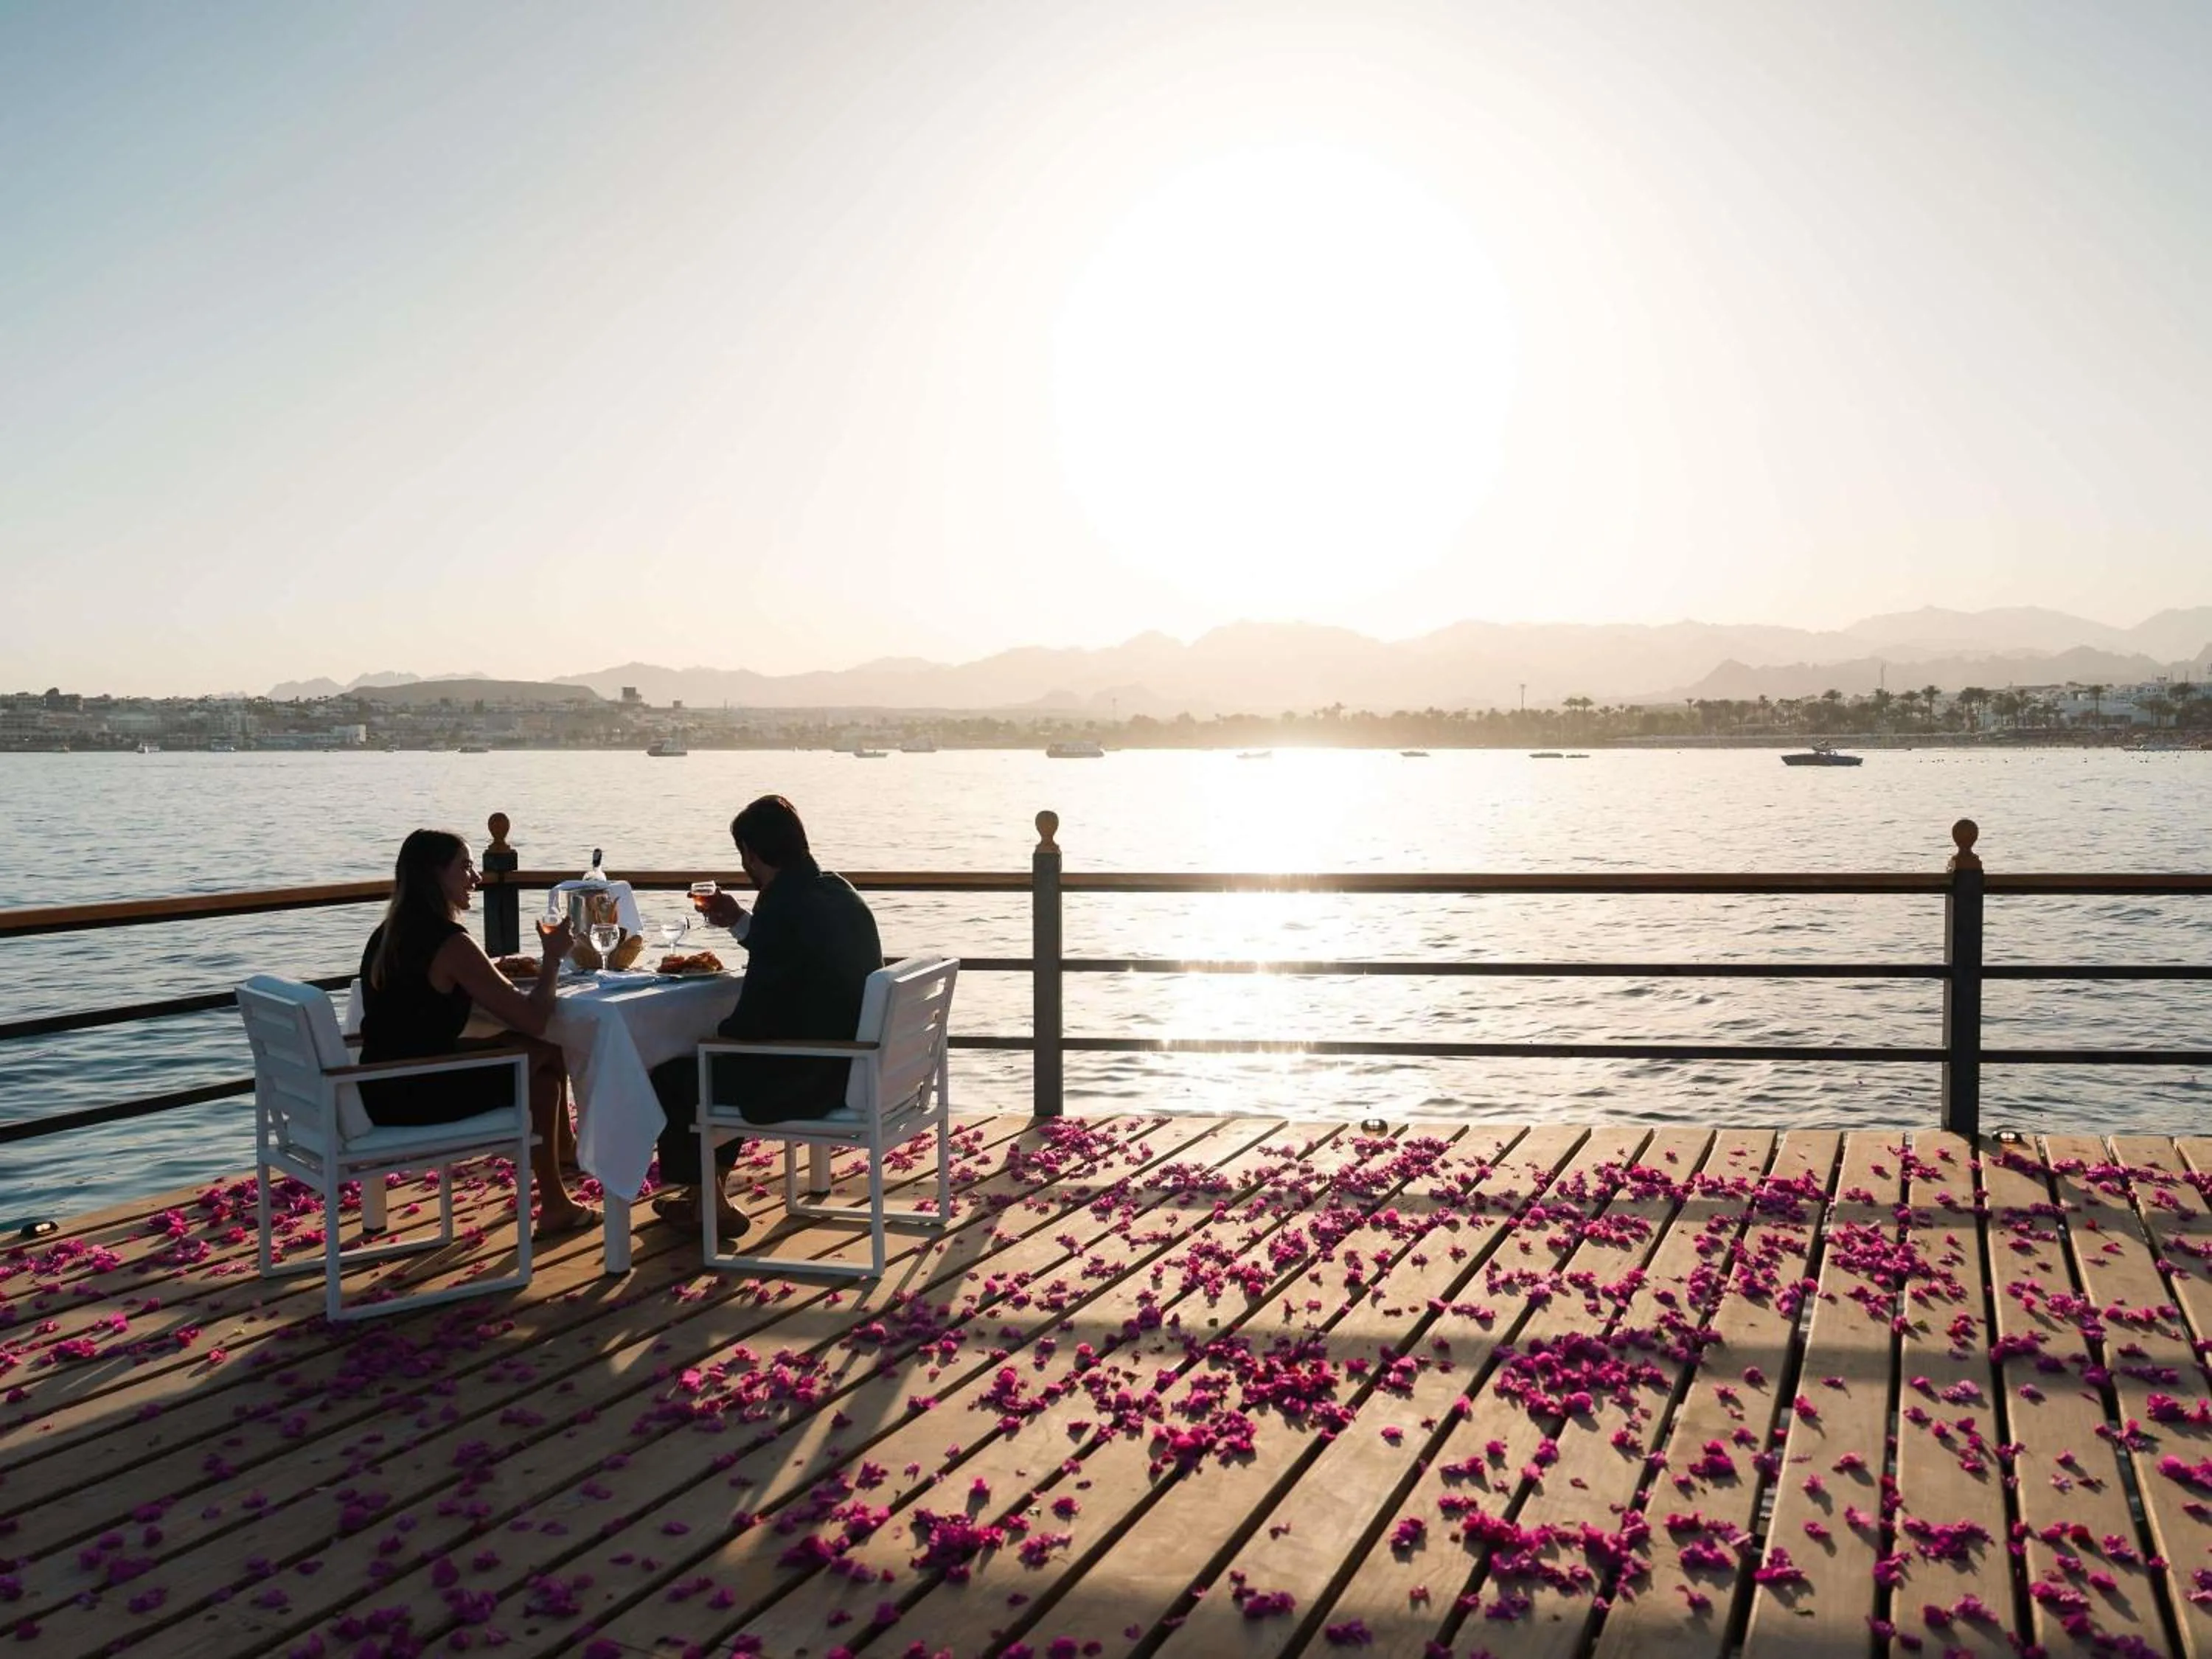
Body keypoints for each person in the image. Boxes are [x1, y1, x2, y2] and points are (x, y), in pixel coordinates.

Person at [647, 795, 883, 1239]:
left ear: (750, 855)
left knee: (675, 1075)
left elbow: (755, 1021)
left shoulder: (782, 907)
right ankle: (702, 1199)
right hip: (853, 1066)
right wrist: (740, 922)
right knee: (715, 1064)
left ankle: (707, 1201)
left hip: (809, 1080)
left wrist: (710, 1040)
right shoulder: (835, 891)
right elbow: (793, 953)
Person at [357, 828, 598, 1237]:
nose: (476, 878)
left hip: (379, 1083)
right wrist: (553, 958)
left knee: (540, 1050)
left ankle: (565, 1152)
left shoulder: (388, 934)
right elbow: (534, 1017)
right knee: (538, 1066)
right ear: (435, 875)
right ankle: (555, 1202)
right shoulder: (450, 943)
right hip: (414, 1094)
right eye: (465, 867)